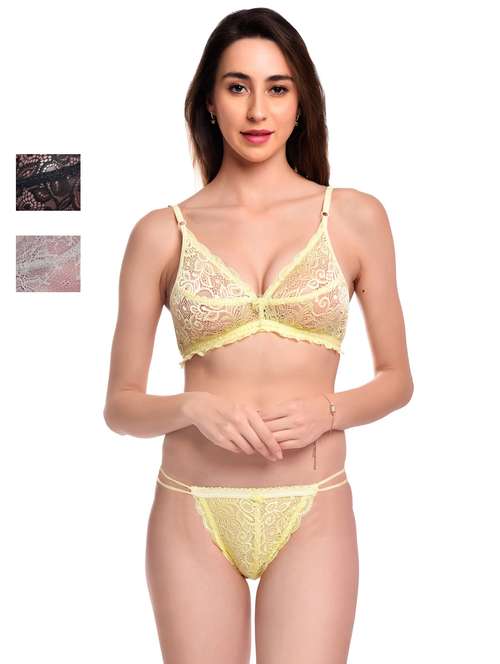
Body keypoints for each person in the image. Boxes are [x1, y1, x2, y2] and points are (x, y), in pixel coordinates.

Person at [103, 8, 414, 663]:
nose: (256, 110)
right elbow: (120, 407)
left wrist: (328, 410)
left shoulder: (355, 217)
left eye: (277, 88)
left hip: (313, 506)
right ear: (209, 101)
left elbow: (397, 380)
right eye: (237, 86)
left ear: (301, 104)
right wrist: (191, 406)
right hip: (191, 510)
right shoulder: (160, 233)